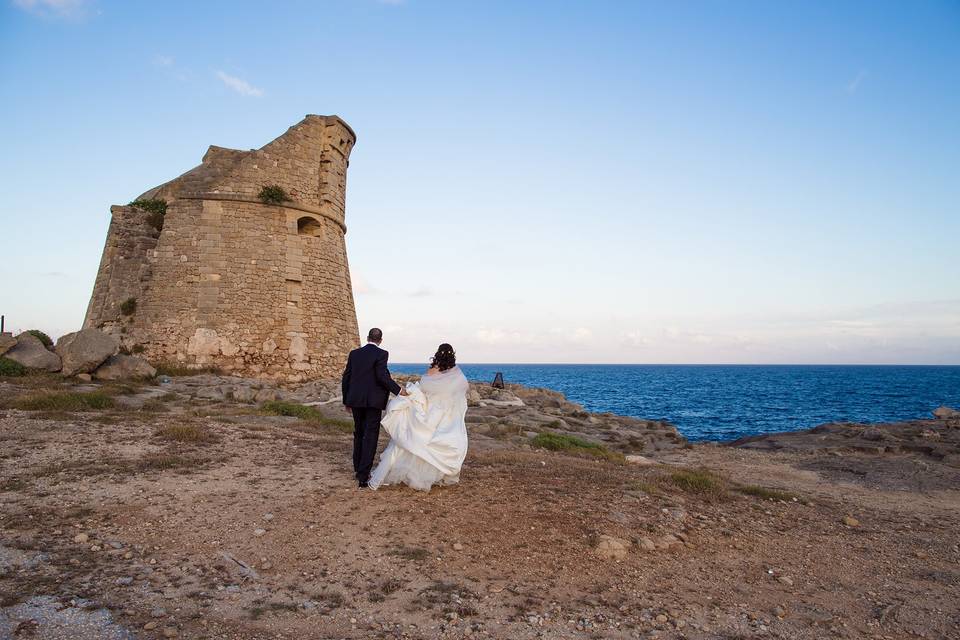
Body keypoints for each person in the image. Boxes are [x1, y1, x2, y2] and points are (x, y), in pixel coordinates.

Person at [368, 343, 469, 491]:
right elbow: (461, 393)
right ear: (452, 356)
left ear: (437, 354)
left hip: (426, 411)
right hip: (443, 415)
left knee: (404, 441)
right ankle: (429, 475)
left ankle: (380, 477)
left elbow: (423, 387)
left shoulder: (432, 371)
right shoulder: (458, 376)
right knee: (429, 442)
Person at [341, 328, 407, 488]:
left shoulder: (354, 354)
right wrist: (399, 391)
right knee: (370, 437)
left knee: (359, 433)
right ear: (380, 340)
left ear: (367, 338)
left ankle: (358, 469)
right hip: (373, 402)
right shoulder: (382, 354)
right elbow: (382, 376)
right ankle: (363, 477)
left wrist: (346, 400)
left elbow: (346, 377)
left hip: (355, 400)